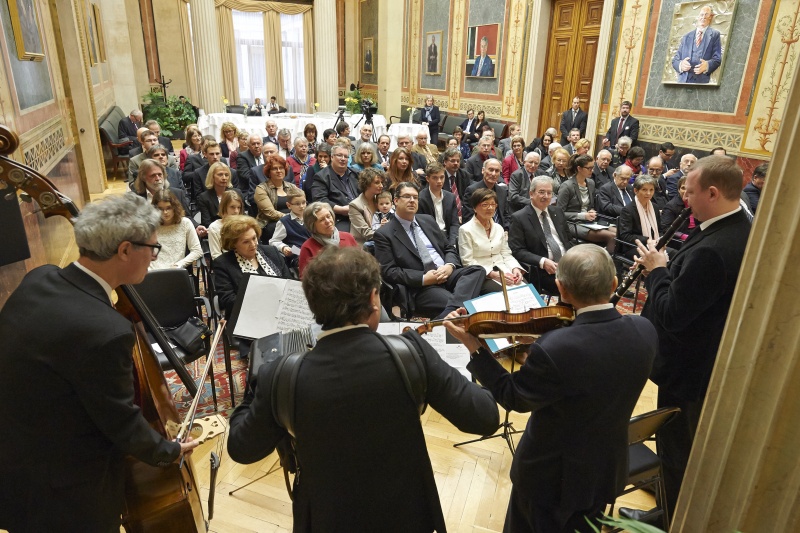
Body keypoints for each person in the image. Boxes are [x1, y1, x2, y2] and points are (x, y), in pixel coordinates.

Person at [227, 245, 499, 533]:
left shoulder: (280, 375)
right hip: (406, 514)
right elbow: (485, 417)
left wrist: (256, 383)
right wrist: (477, 352)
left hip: (325, 518)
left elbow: (241, 449)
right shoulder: (412, 353)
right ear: (373, 299)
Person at [0, 195, 198, 532]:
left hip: (14, 464)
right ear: (124, 250)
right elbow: (120, 422)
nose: (153, 256)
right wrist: (168, 450)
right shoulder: (106, 332)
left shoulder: (40, 278)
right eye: (152, 248)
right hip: (64, 494)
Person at [447, 244, 657, 533]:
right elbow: (593, 356)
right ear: (613, 284)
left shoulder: (556, 349)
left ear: (562, 289)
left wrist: (475, 349)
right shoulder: (644, 330)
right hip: (605, 471)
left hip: (550, 480)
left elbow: (514, 396)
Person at [634, 155, 751, 516]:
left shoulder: (715, 251)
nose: (685, 200)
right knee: (678, 445)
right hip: (701, 360)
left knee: (676, 448)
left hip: (687, 369)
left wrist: (657, 270)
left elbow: (672, 313)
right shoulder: (740, 221)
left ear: (713, 193)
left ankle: (668, 520)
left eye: (691, 192)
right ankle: (666, 505)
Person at [374, 183, 485, 319]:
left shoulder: (427, 220)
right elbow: (389, 271)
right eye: (407, 197)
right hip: (421, 286)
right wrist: (423, 278)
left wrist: (449, 266)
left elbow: (448, 248)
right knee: (464, 303)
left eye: (415, 197)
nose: (412, 201)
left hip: (445, 273)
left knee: (477, 270)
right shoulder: (384, 234)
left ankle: (447, 315)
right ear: (395, 201)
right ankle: (453, 312)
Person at [213, 215, 291, 319]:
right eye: (246, 242)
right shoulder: (223, 263)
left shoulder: (271, 252)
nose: (253, 244)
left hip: (281, 312)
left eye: (254, 238)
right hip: (247, 318)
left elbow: (289, 283)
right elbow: (228, 300)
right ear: (233, 244)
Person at [509, 176, 572, 297]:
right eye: (542, 192)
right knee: (577, 286)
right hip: (543, 270)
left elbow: (568, 240)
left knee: (594, 277)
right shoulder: (519, 218)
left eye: (549, 193)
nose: (546, 196)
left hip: (568, 263)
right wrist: (542, 262)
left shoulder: (557, 212)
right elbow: (517, 250)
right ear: (531, 194)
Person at [459, 188, 525, 293]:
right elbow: (467, 261)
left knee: (526, 290)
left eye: (493, 204)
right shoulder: (465, 230)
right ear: (475, 208)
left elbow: (506, 253)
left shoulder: (498, 228)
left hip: (503, 269)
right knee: (507, 296)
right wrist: (492, 274)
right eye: (485, 205)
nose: (490, 208)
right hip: (482, 275)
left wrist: (515, 268)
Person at [557, 154, 617, 253]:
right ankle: (607, 263)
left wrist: (591, 211)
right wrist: (583, 216)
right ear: (579, 168)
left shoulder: (590, 183)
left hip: (589, 222)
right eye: (588, 168)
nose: (592, 170)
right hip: (572, 223)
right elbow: (559, 213)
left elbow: (591, 206)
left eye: (592, 168)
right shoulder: (567, 186)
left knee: (618, 232)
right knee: (612, 236)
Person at [298, 202, 358, 277]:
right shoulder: (308, 247)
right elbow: (305, 279)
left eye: (328, 216)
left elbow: (361, 264)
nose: (327, 221)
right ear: (312, 225)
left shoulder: (348, 237)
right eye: (321, 220)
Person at [311, 143, 360, 231]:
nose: (343, 159)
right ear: (332, 157)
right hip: (339, 218)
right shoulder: (321, 177)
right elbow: (320, 200)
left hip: (360, 214)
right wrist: (341, 209)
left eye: (346, 156)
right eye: (339, 155)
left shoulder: (356, 174)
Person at [149, 189, 203, 270]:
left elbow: (197, 251)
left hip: (176, 270)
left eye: (168, 208)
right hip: (153, 270)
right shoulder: (151, 225)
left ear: (174, 207)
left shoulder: (185, 223)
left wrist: (181, 263)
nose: (165, 212)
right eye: (161, 209)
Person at [254, 154, 302, 240]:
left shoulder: (291, 187)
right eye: (274, 168)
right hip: (271, 224)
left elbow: (302, 203)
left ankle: (299, 251)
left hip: (293, 222)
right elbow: (270, 213)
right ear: (269, 172)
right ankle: (288, 250)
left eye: (281, 168)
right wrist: (292, 218)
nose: (279, 171)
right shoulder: (261, 189)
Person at [672, 5, 722, 84]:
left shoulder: (715, 35)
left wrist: (707, 66)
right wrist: (681, 65)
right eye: (702, 14)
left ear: (710, 17)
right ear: (698, 17)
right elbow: (675, 60)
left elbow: (717, 59)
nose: (703, 17)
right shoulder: (686, 37)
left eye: (706, 14)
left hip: (702, 82)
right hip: (683, 81)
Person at [618, 175, 664, 260]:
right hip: (634, 247)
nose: (649, 193)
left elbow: (660, 230)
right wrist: (647, 240)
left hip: (655, 244)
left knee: (675, 255)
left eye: (651, 190)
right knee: (655, 258)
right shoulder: (628, 210)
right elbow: (625, 236)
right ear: (636, 190)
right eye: (644, 190)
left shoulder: (655, 207)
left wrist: (660, 240)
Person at [417, 162, 460, 247]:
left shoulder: (450, 197)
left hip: (449, 239)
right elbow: (423, 227)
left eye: (442, 177)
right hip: (431, 241)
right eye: (435, 178)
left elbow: (454, 224)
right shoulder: (420, 198)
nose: (439, 181)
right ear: (427, 179)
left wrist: (452, 243)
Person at [463, 158, 511, 230]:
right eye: (491, 170)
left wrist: (506, 230)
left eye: (497, 171)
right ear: (483, 170)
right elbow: (468, 217)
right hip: (479, 230)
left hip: (500, 231)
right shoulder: (472, 190)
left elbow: (505, 215)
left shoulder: (502, 191)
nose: (493, 174)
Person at [270, 189, 311, 270]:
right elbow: (273, 241)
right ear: (289, 205)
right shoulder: (284, 222)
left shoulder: (311, 218)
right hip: (297, 253)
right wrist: (283, 247)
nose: (302, 206)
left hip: (313, 250)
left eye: (304, 202)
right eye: (297, 204)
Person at [196, 161, 245, 228]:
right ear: (212, 176)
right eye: (220, 175)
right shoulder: (204, 197)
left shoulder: (237, 193)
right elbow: (207, 222)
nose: (224, 178)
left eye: (226, 175)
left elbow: (242, 215)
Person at [348, 167, 386, 245]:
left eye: (381, 182)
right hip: (364, 245)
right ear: (367, 184)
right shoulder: (355, 205)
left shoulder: (380, 199)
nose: (381, 185)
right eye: (377, 182)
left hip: (381, 241)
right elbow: (366, 233)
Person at [208, 190, 245, 259]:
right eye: (232, 207)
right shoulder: (214, 227)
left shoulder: (245, 224)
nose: (236, 211)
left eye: (238, 207)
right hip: (226, 264)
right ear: (224, 207)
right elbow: (216, 255)